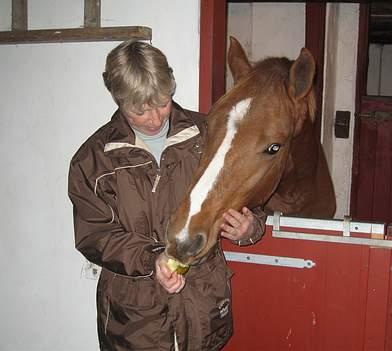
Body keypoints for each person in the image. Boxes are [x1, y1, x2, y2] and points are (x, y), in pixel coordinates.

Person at [68, 40, 266, 351]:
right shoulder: (94, 160)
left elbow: (250, 197)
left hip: (203, 306)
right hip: (135, 320)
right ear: (118, 100)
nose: (155, 118)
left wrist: (250, 227)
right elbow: (95, 235)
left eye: (162, 102)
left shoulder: (210, 135)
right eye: (139, 110)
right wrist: (152, 259)